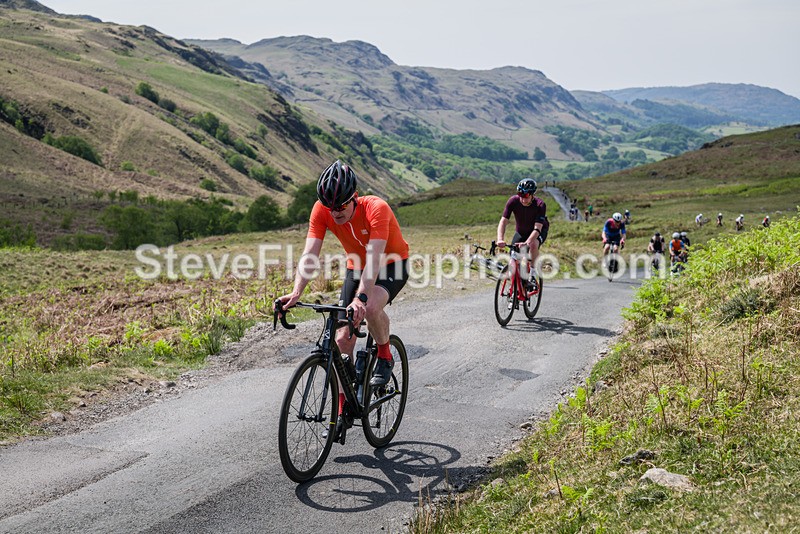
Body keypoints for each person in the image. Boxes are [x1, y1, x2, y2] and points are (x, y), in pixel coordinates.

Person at [275, 160, 409, 388]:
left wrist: (361, 299)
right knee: (341, 340)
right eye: (330, 207)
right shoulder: (321, 209)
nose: (334, 212)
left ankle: (385, 355)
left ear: (354, 198)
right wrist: (296, 292)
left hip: (391, 263)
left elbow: (374, 260)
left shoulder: (377, 208)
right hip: (356, 266)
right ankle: (343, 406)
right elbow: (310, 254)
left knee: (371, 307)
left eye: (340, 206)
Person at [496, 178, 549, 287]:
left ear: (532, 195)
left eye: (526, 196)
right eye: (520, 194)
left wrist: (527, 242)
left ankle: (533, 275)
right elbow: (503, 221)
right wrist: (500, 239)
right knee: (513, 258)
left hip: (538, 231)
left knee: (533, 245)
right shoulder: (513, 201)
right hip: (521, 232)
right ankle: (514, 291)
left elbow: (537, 228)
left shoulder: (540, 205)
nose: (523, 199)